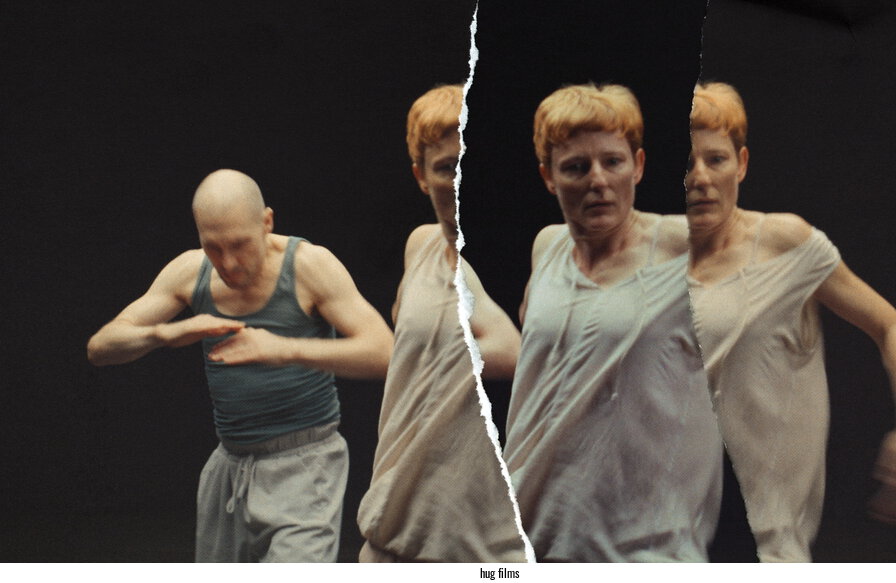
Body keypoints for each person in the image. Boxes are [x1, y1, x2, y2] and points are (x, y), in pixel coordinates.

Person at [685, 81, 896, 562]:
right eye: (686, 163)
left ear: (741, 164)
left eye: (716, 159)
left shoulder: (785, 244)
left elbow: (890, 326)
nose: (700, 177)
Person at [86, 169, 394, 562]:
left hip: (305, 465)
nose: (228, 263)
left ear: (267, 222)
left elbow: (385, 353)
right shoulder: (190, 271)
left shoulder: (309, 266)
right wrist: (165, 333)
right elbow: (100, 348)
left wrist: (283, 348)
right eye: (213, 248)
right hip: (228, 468)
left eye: (239, 244)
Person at [502, 84, 723, 561]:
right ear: (548, 177)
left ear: (638, 166)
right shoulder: (547, 247)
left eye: (613, 162)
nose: (598, 180)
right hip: (530, 539)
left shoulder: (689, 249)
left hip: (646, 549)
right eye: (576, 168)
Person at [356, 85, 529, 562]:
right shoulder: (422, 246)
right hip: (396, 526)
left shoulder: (512, 259)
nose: (460, 181)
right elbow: (409, 336)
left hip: (482, 548)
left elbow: (510, 350)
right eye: (446, 167)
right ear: (420, 175)